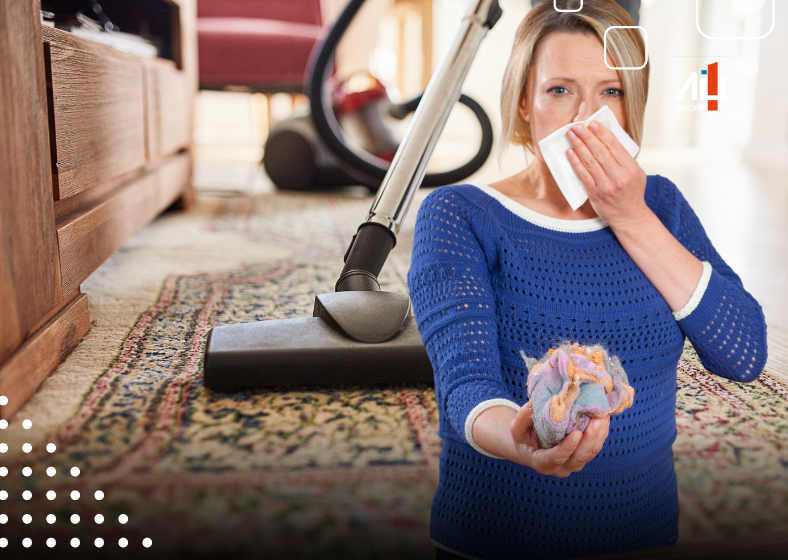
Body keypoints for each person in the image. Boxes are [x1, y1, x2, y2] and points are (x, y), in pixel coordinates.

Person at [406, 1, 768, 559]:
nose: (585, 118)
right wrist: (523, 442)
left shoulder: (662, 206)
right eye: (559, 91)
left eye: (610, 92)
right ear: (525, 101)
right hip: (496, 539)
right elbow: (464, 385)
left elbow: (743, 354)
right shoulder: (459, 214)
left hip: (644, 534)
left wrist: (630, 215)